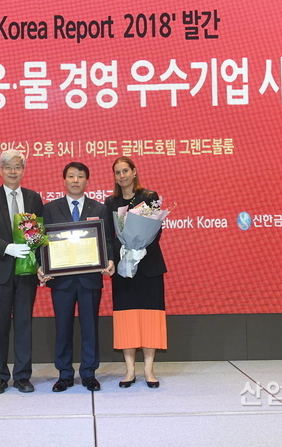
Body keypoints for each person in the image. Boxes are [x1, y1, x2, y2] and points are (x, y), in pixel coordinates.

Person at [38, 162, 114, 392]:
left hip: (90, 278)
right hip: (61, 280)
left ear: (87, 181)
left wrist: (110, 259)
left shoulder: (99, 208)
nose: (75, 180)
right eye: (71, 176)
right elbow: (42, 241)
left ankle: (89, 373)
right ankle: (65, 374)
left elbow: (107, 239)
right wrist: (41, 265)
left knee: (90, 327)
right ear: (64, 180)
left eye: (80, 176)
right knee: (63, 327)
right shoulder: (50, 208)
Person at [0, 149, 43, 394]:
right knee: (0, 325)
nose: (13, 171)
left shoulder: (33, 198)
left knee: (24, 324)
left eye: (18, 167)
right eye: (8, 167)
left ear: (24, 170)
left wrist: (41, 265)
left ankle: (23, 376)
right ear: (1, 170)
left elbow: (39, 236)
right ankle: (0, 377)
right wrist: (7, 248)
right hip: (0, 271)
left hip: (26, 272)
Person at [104, 156, 167, 389]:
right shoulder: (110, 202)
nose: (122, 176)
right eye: (117, 172)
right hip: (123, 267)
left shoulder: (150, 197)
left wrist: (140, 248)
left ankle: (149, 370)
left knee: (150, 316)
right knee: (127, 317)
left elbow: (156, 230)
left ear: (134, 172)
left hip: (149, 265)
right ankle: (129, 370)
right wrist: (121, 252)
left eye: (125, 171)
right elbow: (109, 234)